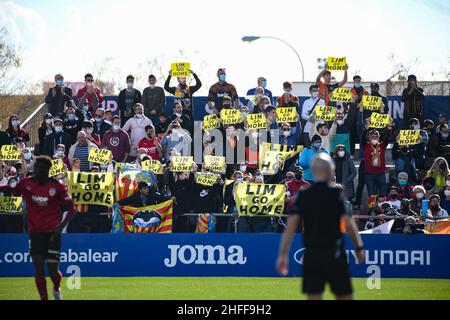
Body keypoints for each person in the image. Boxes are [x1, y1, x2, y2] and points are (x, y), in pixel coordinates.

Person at [277, 153, 364, 300]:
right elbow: (349, 225)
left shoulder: (303, 195)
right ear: (331, 169)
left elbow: (290, 228)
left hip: (312, 254)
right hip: (335, 253)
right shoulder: (337, 194)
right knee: (344, 296)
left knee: (314, 296)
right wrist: (359, 247)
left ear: (312, 169)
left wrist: (283, 255)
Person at [11, 156, 76, 300]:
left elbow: (71, 208)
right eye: (35, 167)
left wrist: (61, 227)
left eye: (39, 168)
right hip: (35, 233)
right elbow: (13, 190)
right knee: (39, 267)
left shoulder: (57, 186)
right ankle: (44, 298)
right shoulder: (26, 183)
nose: (36, 170)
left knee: (53, 271)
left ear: (46, 170)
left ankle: (56, 289)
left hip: (53, 232)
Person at [362, 124, 393, 197]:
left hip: (380, 173)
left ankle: (382, 207)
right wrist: (365, 130)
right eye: (372, 137)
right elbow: (363, 139)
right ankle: (372, 208)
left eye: (376, 137)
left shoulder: (382, 146)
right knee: (371, 194)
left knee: (383, 192)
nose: (374, 138)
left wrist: (389, 129)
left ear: (379, 138)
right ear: (369, 138)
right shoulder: (366, 146)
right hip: (369, 173)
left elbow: (387, 138)